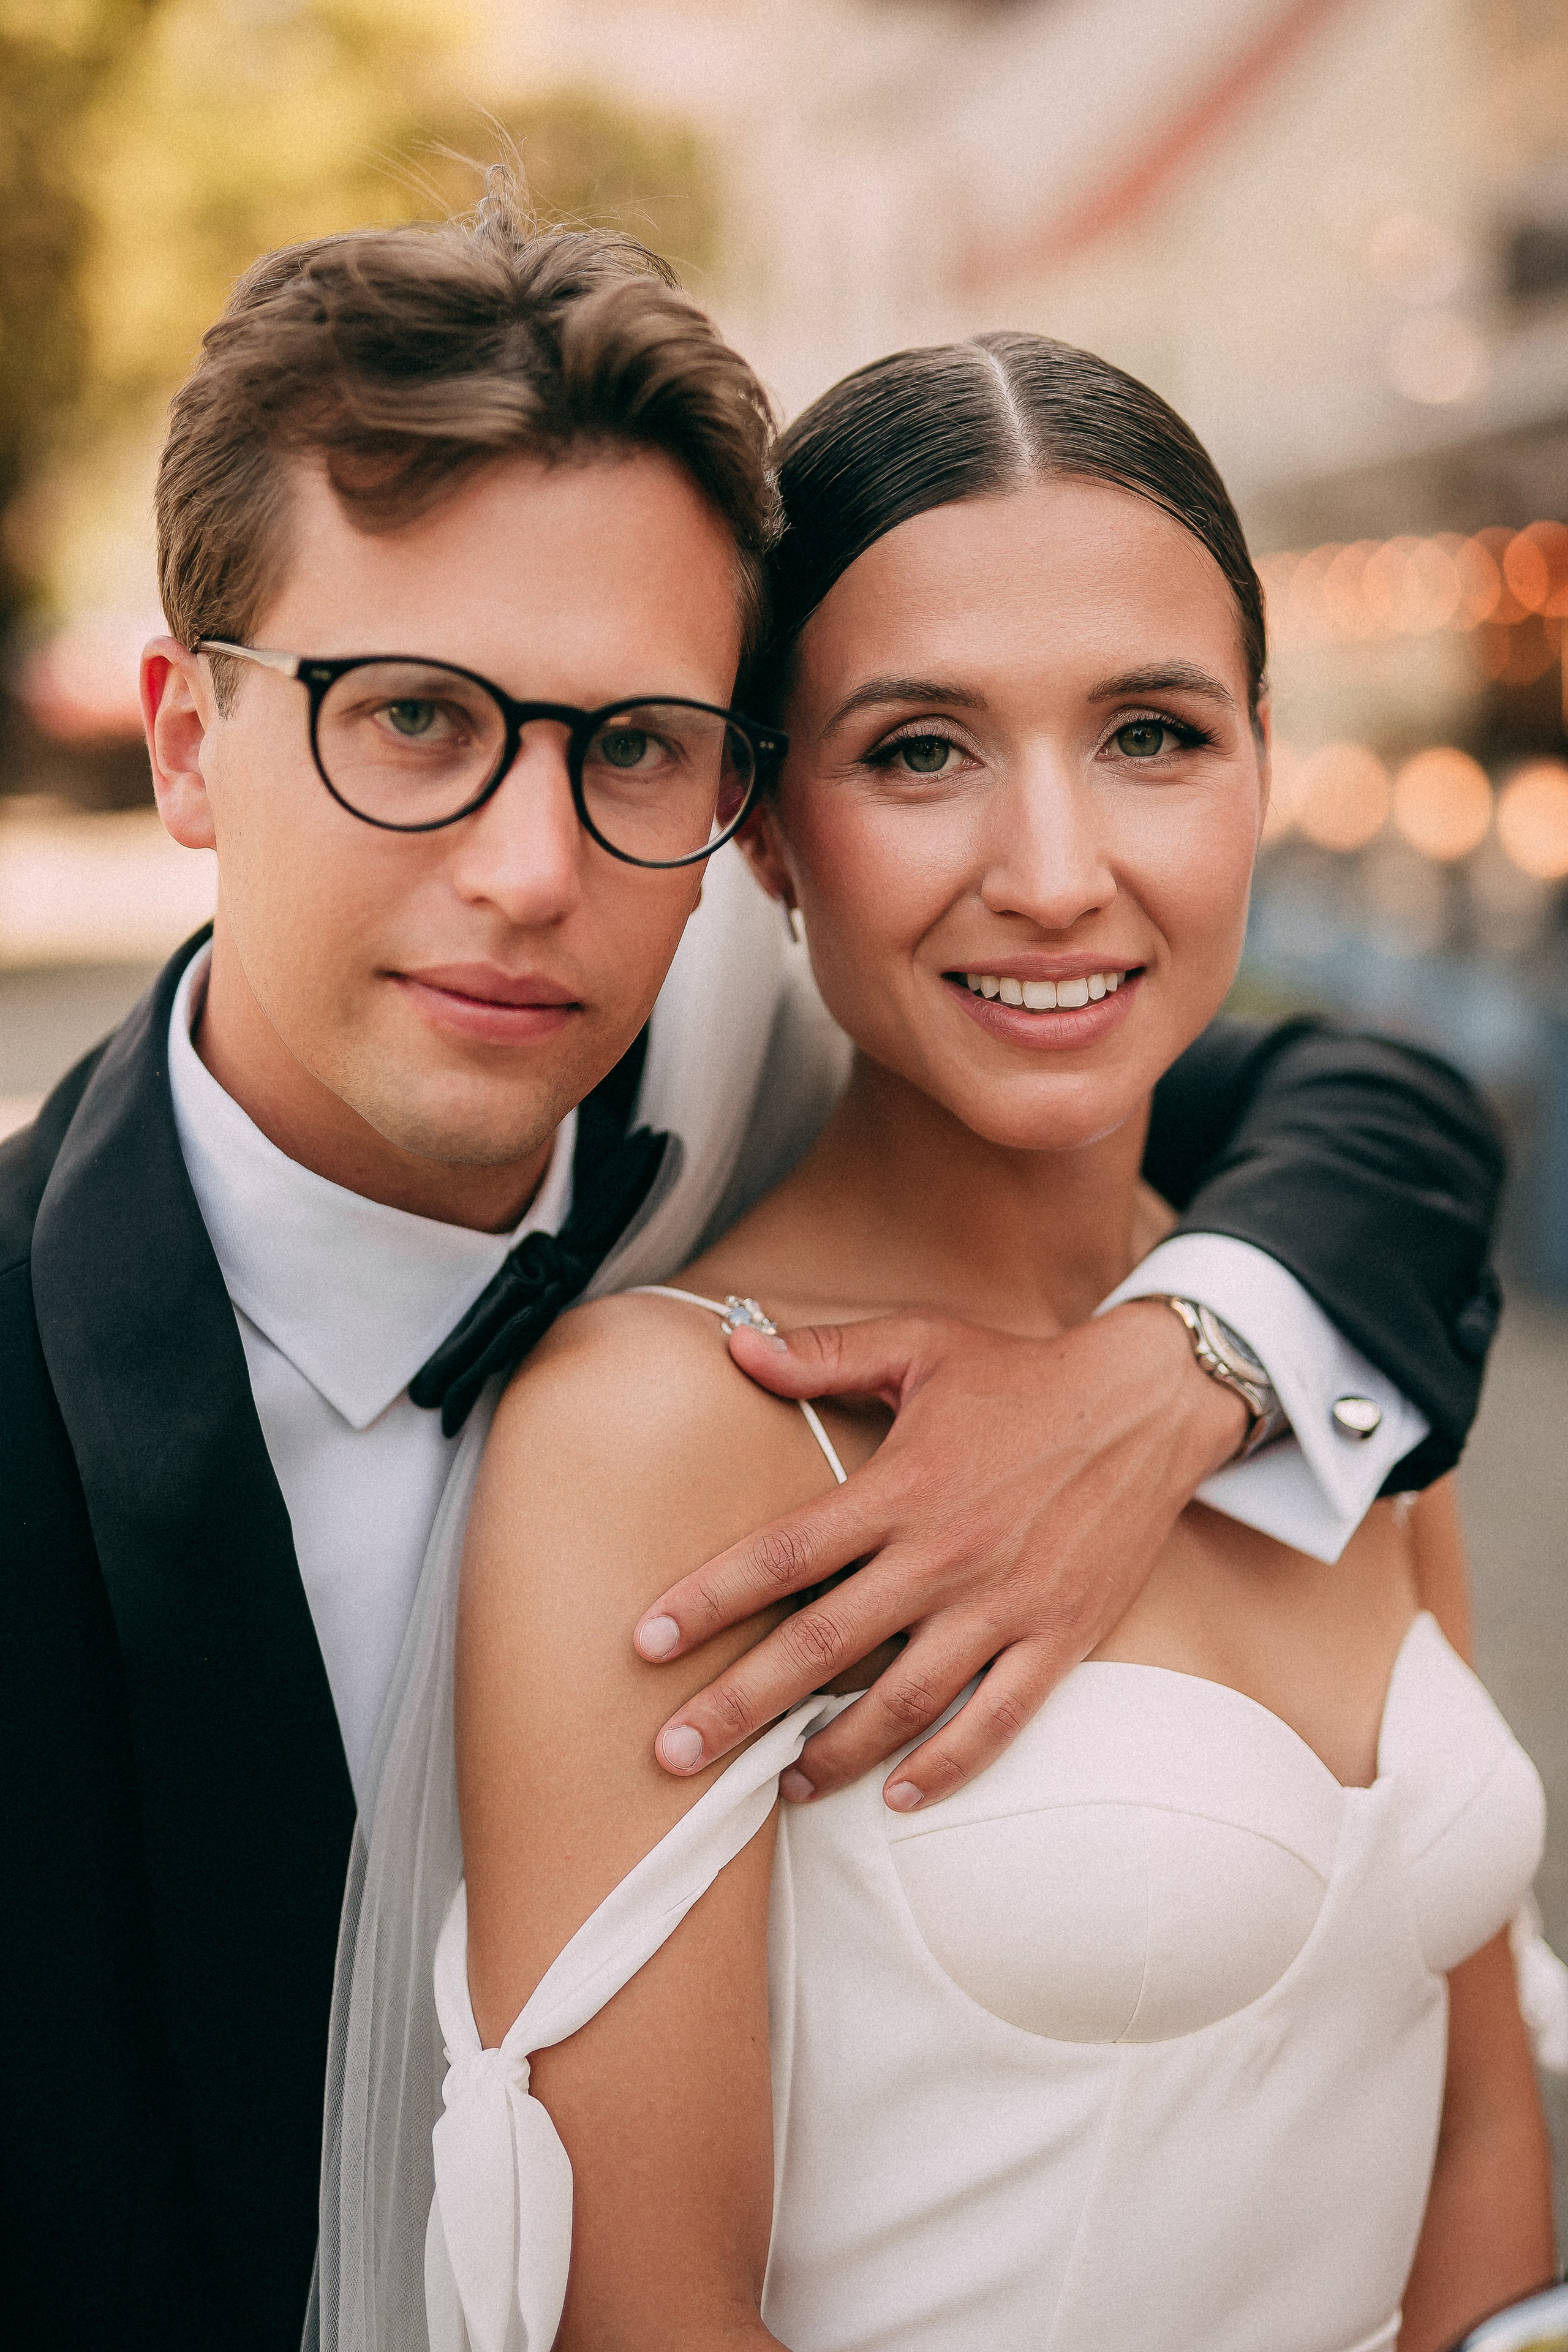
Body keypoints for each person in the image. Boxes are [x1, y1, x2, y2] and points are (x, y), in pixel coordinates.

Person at [0, 173, 1506, 2352]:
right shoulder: (625, 1396)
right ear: (181, 741)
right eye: (413, 716)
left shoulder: (811, 1115)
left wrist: (1181, 1365)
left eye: (632, 748)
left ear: (736, 804)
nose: (531, 873)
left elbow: (1369, 1117)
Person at [440, 334, 1555, 2352]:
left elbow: (1481, 2135)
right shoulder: (662, 1433)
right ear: (767, 828)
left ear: (1262, 761)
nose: (1057, 878)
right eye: (921, 751)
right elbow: (646, 2321)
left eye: (1153, 735)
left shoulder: (1319, 1348)